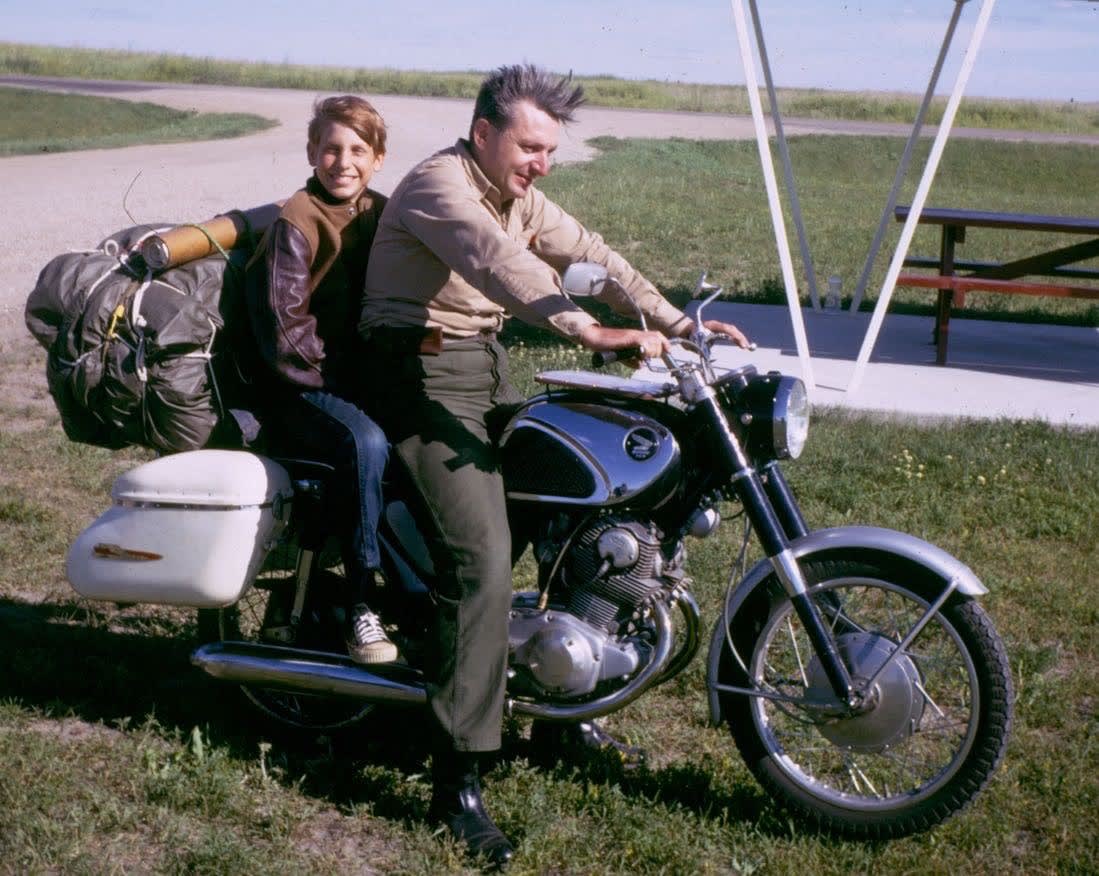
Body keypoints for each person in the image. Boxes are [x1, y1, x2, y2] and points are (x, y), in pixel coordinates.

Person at [360, 64, 749, 867]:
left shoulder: (518, 192)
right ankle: (457, 782)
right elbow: (498, 262)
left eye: (548, 151)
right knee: (484, 560)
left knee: (592, 509)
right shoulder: (442, 186)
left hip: (487, 369)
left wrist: (681, 323)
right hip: (413, 376)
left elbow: (590, 256)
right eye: (529, 146)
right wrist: (587, 331)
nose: (540, 162)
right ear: (482, 135)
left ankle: (557, 725)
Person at [243, 95, 396, 665]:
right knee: (367, 442)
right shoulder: (296, 220)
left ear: (379, 158)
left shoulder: (382, 213)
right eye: (331, 148)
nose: (343, 161)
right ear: (312, 152)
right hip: (297, 388)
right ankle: (361, 602)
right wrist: (346, 387)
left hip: (355, 382)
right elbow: (287, 331)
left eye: (358, 149)